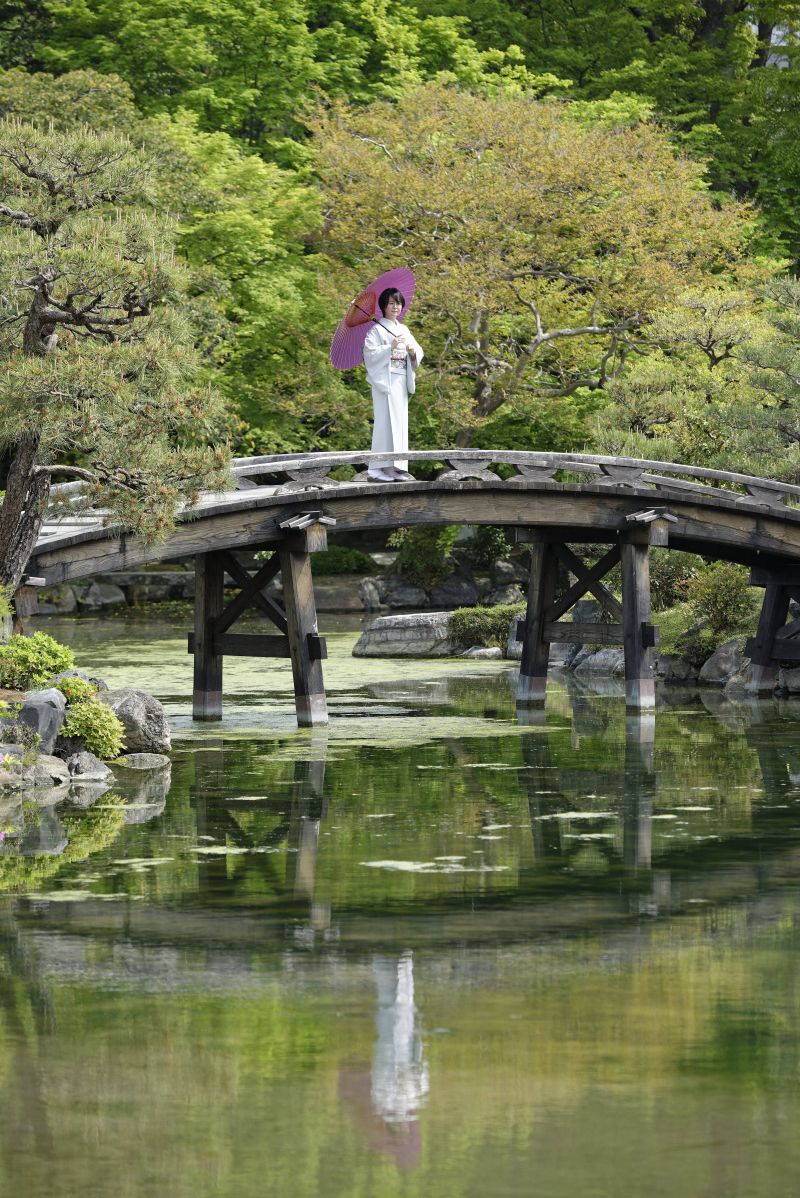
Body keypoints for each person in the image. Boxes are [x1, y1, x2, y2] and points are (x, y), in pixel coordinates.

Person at [362, 288, 423, 482]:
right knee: (384, 424)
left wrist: (413, 352)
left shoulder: (403, 329)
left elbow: (417, 352)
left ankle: (395, 467)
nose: (395, 307)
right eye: (390, 303)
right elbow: (369, 355)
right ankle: (376, 469)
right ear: (383, 306)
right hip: (385, 381)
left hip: (400, 379)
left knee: (399, 424)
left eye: (398, 303)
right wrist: (390, 346)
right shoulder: (376, 330)